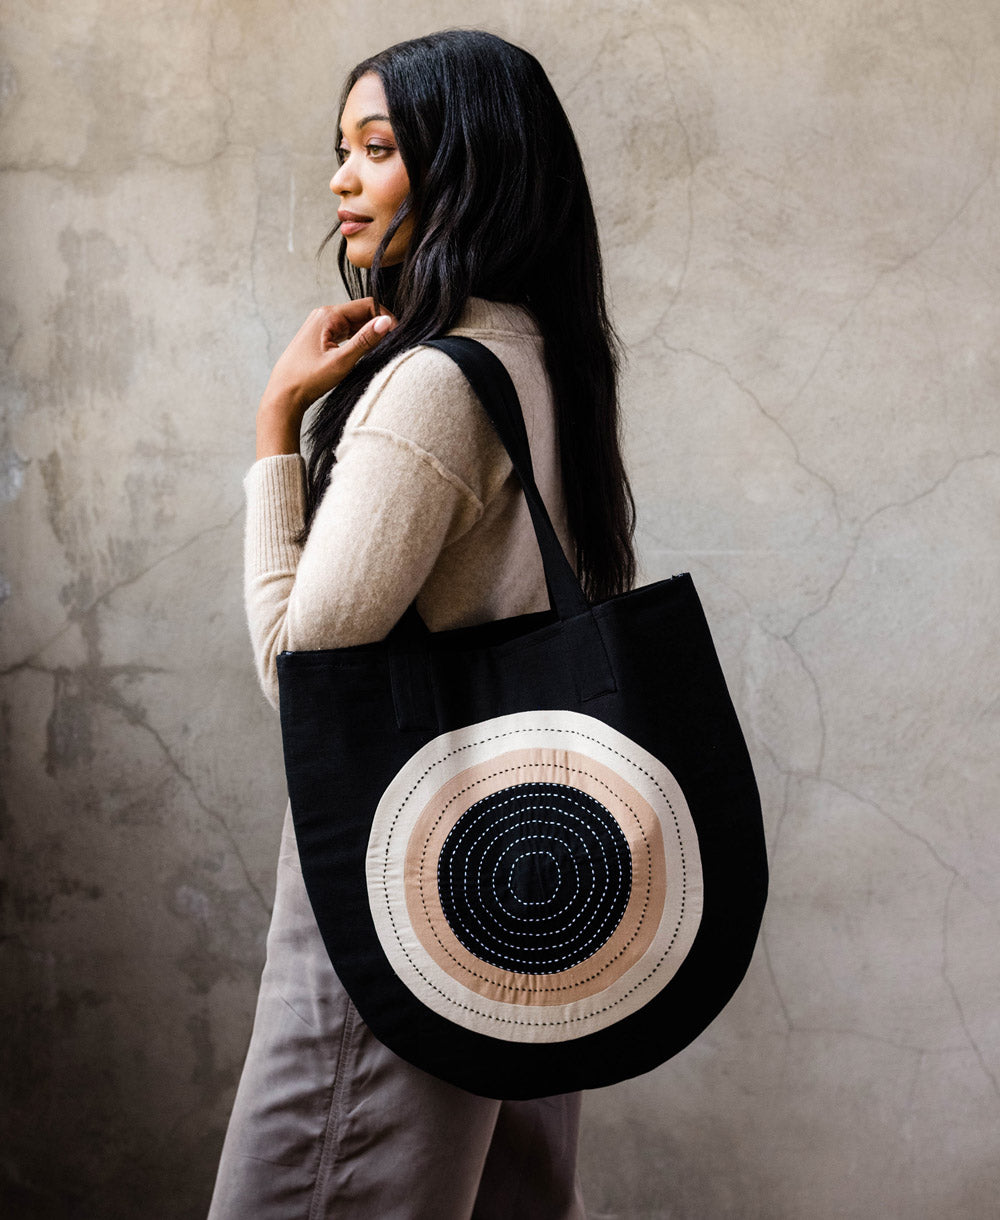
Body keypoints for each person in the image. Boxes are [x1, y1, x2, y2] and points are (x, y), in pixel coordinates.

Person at [208, 29, 635, 1220]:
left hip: (399, 879)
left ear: (465, 165)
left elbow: (305, 679)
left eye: (377, 148)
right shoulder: (543, 360)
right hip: (525, 882)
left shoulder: (436, 384)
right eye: (340, 150)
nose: (341, 178)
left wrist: (273, 433)